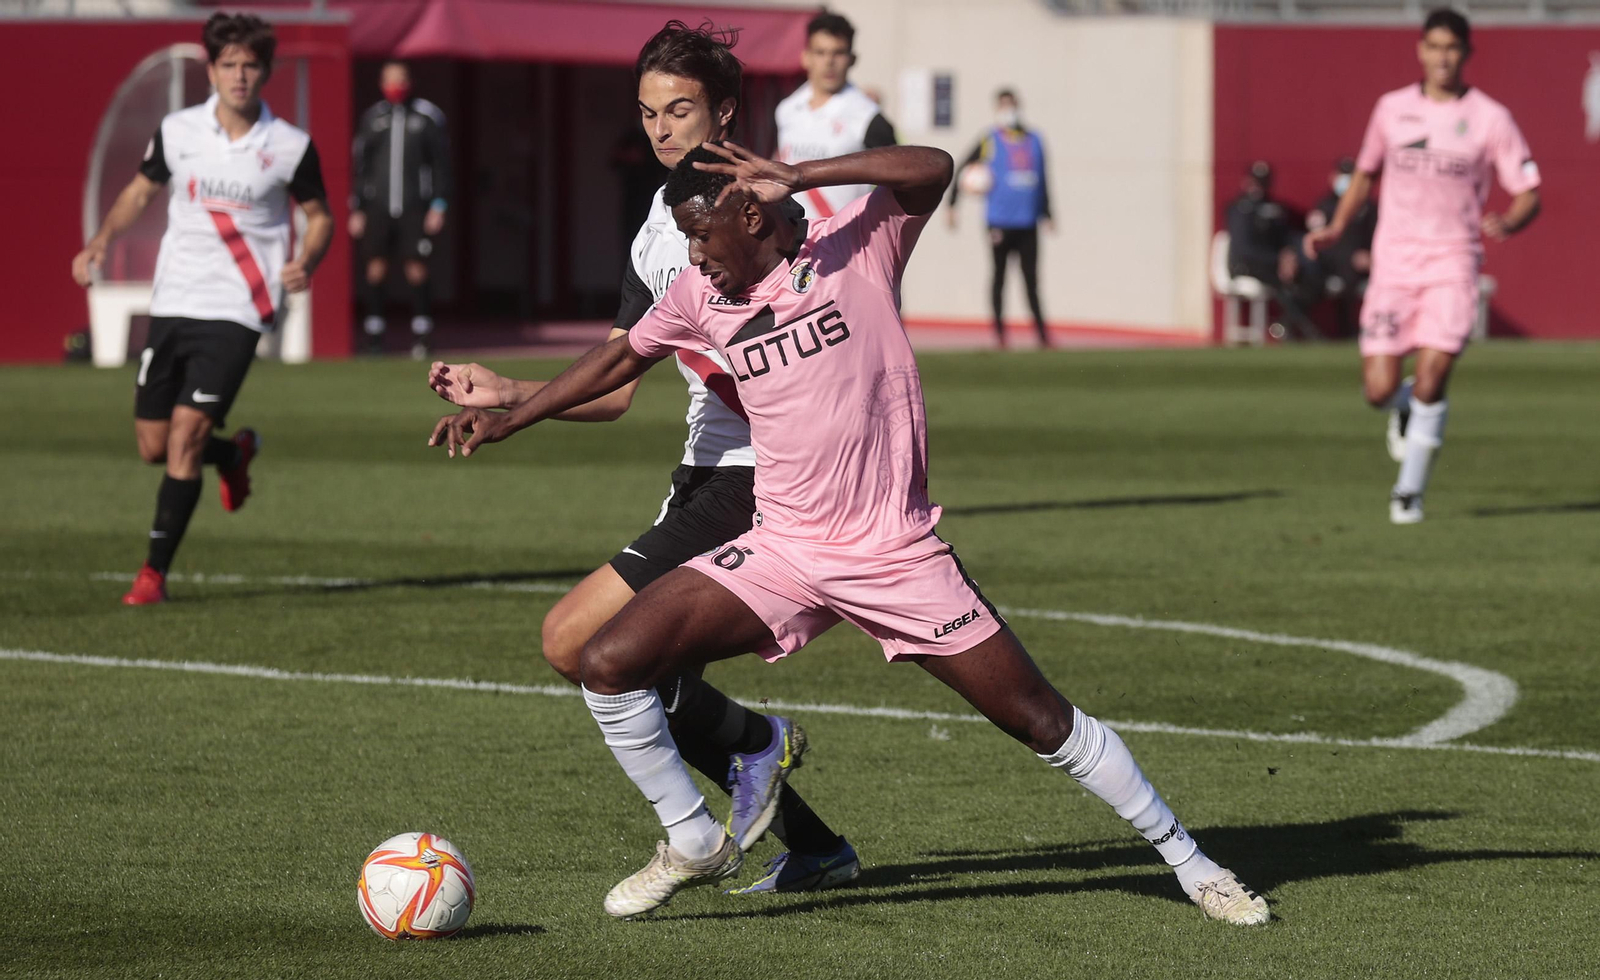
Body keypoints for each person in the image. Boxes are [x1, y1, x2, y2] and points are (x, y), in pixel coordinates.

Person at [428, 142, 1272, 927]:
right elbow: (614, 364)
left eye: (701, 234)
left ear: (749, 214)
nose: (692, 256)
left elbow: (933, 166)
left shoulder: (856, 247)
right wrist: (512, 413)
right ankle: (692, 837)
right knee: (607, 661)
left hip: (895, 553)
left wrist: (800, 174)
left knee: (1039, 718)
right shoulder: (697, 296)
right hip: (785, 547)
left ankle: (1192, 862)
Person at [427, 21, 858, 896]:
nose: (661, 128)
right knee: (643, 673)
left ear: (725, 111)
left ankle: (720, 798)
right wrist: (510, 391)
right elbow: (620, 384)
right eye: (648, 112)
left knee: (576, 639)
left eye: (681, 109)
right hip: (701, 471)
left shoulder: (777, 210)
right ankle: (814, 843)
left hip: (765, 476)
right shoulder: (657, 230)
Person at [71, 12, 331, 606]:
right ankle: (232, 453)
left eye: (250, 65)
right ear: (210, 69)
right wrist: (102, 241)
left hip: (240, 308)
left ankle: (152, 575)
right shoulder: (177, 130)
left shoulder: (290, 146)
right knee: (153, 445)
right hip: (174, 300)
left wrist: (307, 260)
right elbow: (140, 190)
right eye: (229, 64)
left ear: (265, 72)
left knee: (184, 437)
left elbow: (321, 217)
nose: (240, 75)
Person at [1307, 8, 1541, 524]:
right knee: (1378, 391)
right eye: (1434, 46)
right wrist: (1336, 227)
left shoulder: (1489, 117)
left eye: (1452, 48)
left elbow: (1528, 191)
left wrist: (1512, 221)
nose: (1442, 57)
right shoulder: (1392, 110)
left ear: (1466, 53)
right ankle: (1403, 405)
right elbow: (1365, 174)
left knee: (1435, 376)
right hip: (1395, 265)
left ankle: (1408, 491)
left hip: (1452, 262)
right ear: (1420, 50)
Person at [350, 61, 450, 358]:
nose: (395, 84)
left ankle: (422, 331)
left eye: (400, 79)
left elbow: (441, 165)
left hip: (413, 207)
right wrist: (357, 207)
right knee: (376, 266)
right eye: (390, 79)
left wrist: (438, 204)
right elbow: (361, 166)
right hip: (379, 207)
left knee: (415, 266)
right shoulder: (373, 118)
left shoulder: (427, 117)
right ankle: (375, 331)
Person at [947, 88, 1054, 348]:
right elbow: (963, 166)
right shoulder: (990, 139)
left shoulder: (1035, 139)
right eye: (1004, 106)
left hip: (1028, 221)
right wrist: (952, 204)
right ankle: (1000, 334)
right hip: (999, 221)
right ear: (997, 109)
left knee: (1031, 279)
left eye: (1012, 105)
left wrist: (1048, 212)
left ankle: (1042, 335)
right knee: (999, 276)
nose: (1009, 111)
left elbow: (1043, 180)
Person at [774, 11, 897, 219]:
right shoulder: (786, 109)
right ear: (806, 57)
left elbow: (899, 181)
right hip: (791, 240)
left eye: (838, 52)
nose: (829, 61)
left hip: (844, 242)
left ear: (852, 59)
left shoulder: (868, 117)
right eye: (821, 52)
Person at [1225, 161, 1321, 341]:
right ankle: (1306, 331)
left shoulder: (1276, 209)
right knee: (1281, 283)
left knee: (1311, 276)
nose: (1259, 187)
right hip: (1247, 265)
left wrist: (1290, 256)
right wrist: (1278, 260)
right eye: (1255, 181)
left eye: (1263, 182)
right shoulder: (1239, 208)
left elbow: (1286, 238)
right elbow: (1244, 248)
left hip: (1275, 264)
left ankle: (1284, 325)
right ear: (1247, 181)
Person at [1306, 157, 1377, 338]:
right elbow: (1320, 244)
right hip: (1335, 264)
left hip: (1368, 263)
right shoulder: (1325, 206)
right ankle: (1346, 330)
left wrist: (1370, 256)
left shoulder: (1368, 206)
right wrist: (1350, 256)